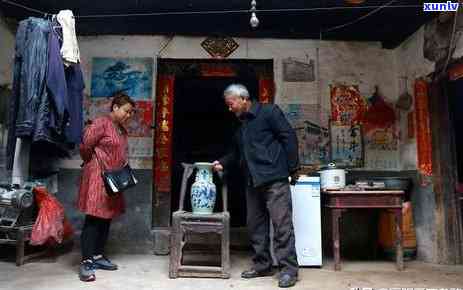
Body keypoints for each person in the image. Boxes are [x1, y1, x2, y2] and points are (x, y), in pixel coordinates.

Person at [212, 84, 300, 288]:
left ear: (243, 99)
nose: (229, 108)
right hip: (252, 182)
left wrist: (293, 168)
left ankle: (288, 270)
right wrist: (222, 162)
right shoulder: (241, 126)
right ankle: (263, 265)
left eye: (231, 103)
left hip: (275, 179)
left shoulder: (269, 112)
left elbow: (289, 137)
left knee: (282, 226)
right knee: (256, 226)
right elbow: (236, 153)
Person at [77, 92, 135, 282]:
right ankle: (86, 262)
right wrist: (93, 163)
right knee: (94, 218)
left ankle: (98, 256)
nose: (129, 115)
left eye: (131, 113)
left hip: (114, 179)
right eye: (126, 111)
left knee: (106, 216)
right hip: (98, 177)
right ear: (115, 108)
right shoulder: (101, 123)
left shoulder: (120, 129)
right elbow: (85, 145)